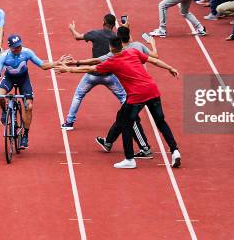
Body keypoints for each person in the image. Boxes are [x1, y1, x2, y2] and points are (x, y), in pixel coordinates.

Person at [57, 37, 181, 169]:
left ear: (111, 48)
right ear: (121, 46)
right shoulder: (133, 51)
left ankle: (129, 159)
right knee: (160, 122)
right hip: (152, 90)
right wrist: (170, 67)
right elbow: (153, 60)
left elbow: (91, 68)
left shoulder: (112, 62)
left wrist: (69, 69)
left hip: (137, 96)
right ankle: (175, 151)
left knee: (125, 123)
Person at [0, 35, 58, 149]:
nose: (18, 49)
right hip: (9, 78)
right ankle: (4, 111)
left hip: (24, 80)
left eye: (19, 46)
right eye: (15, 47)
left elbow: (43, 65)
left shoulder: (27, 52)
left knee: (29, 106)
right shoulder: (4, 56)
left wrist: (57, 63)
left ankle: (25, 135)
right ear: (10, 48)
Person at [61, 15, 121, 130]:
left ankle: (69, 123)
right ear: (114, 25)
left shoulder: (95, 33)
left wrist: (72, 28)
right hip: (109, 74)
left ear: (103, 22)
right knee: (123, 97)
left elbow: (77, 37)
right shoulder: (116, 37)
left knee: (78, 95)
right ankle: (132, 120)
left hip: (92, 73)